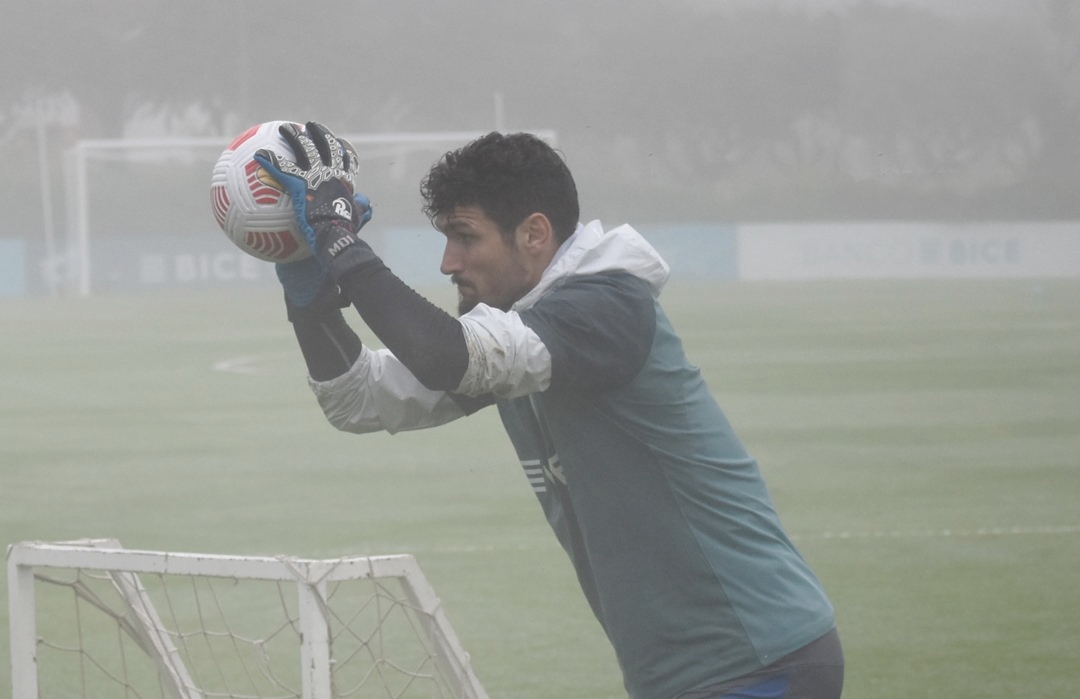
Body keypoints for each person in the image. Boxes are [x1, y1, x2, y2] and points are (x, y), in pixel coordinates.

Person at [253, 122, 844, 699]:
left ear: (534, 234)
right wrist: (308, 293)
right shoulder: (525, 332)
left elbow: (446, 357)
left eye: (465, 236)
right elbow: (361, 399)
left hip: (756, 656)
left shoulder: (603, 309)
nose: (448, 263)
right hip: (691, 672)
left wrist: (340, 240)